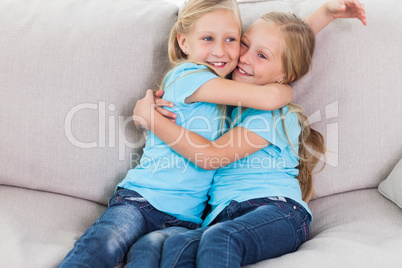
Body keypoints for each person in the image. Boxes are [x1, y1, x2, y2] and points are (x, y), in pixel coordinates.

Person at [58, 0, 293, 267]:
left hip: (187, 219)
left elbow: (282, 44)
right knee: (102, 245)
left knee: (148, 256)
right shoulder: (189, 76)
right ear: (183, 42)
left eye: (231, 39)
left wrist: (326, 14)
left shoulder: (226, 89)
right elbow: (272, 94)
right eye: (207, 38)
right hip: (142, 201)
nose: (220, 50)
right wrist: (287, 86)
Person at [132, 2, 366, 267]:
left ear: (286, 75)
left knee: (221, 238)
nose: (244, 58)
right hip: (224, 217)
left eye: (261, 56)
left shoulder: (275, 115)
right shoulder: (224, 102)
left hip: (278, 211)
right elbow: (281, 47)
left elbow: (212, 156)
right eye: (243, 44)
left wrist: (152, 120)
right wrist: (325, 14)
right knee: (175, 243)